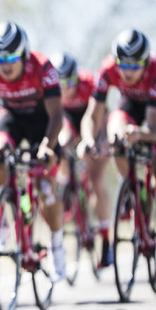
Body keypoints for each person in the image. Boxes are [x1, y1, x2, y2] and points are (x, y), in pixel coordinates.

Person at [79, 29, 156, 281]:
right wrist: (89, 141)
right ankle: (132, 188)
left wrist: (139, 133)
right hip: (130, 105)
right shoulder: (108, 68)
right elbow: (93, 114)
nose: (128, 70)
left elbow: (154, 131)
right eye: (124, 64)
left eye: (135, 65)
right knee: (115, 130)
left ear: (145, 62)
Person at [0, 21, 66, 282]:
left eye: (12, 57)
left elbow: (57, 115)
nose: (5, 65)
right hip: (11, 117)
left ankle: (57, 243)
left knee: (46, 188)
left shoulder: (42, 67)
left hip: (42, 122)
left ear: (24, 54)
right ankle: (0, 221)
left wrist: (48, 145)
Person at [49, 52, 113, 269]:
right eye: (61, 84)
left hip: (93, 119)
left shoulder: (89, 83)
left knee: (96, 179)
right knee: (63, 140)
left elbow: (98, 117)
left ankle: (106, 239)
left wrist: (99, 142)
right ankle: (66, 185)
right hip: (68, 119)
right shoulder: (52, 91)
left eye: (70, 82)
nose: (66, 88)